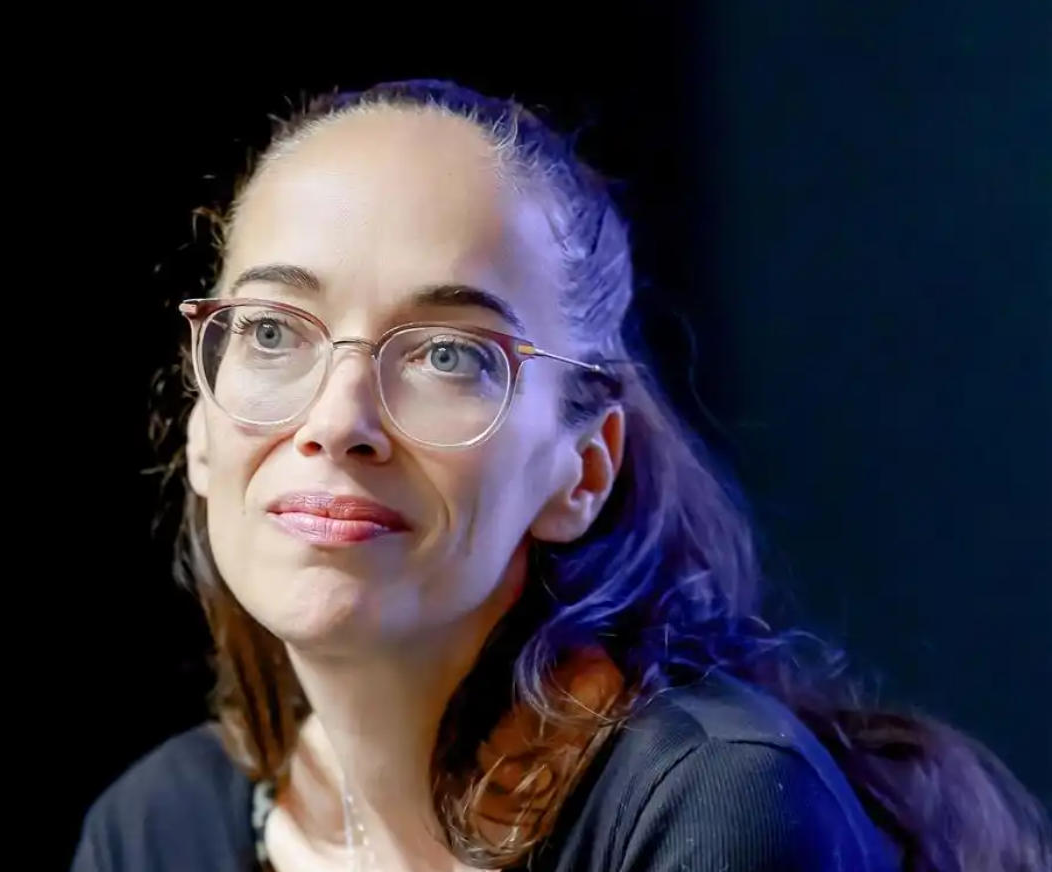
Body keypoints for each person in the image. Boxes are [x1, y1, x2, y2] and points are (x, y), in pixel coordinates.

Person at [73, 80, 1051, 872]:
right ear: (202, 430)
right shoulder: (158, 829)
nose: (337, 422)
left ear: (580, 470)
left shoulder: (712, 806)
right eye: (272, 332)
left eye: (449, 355)